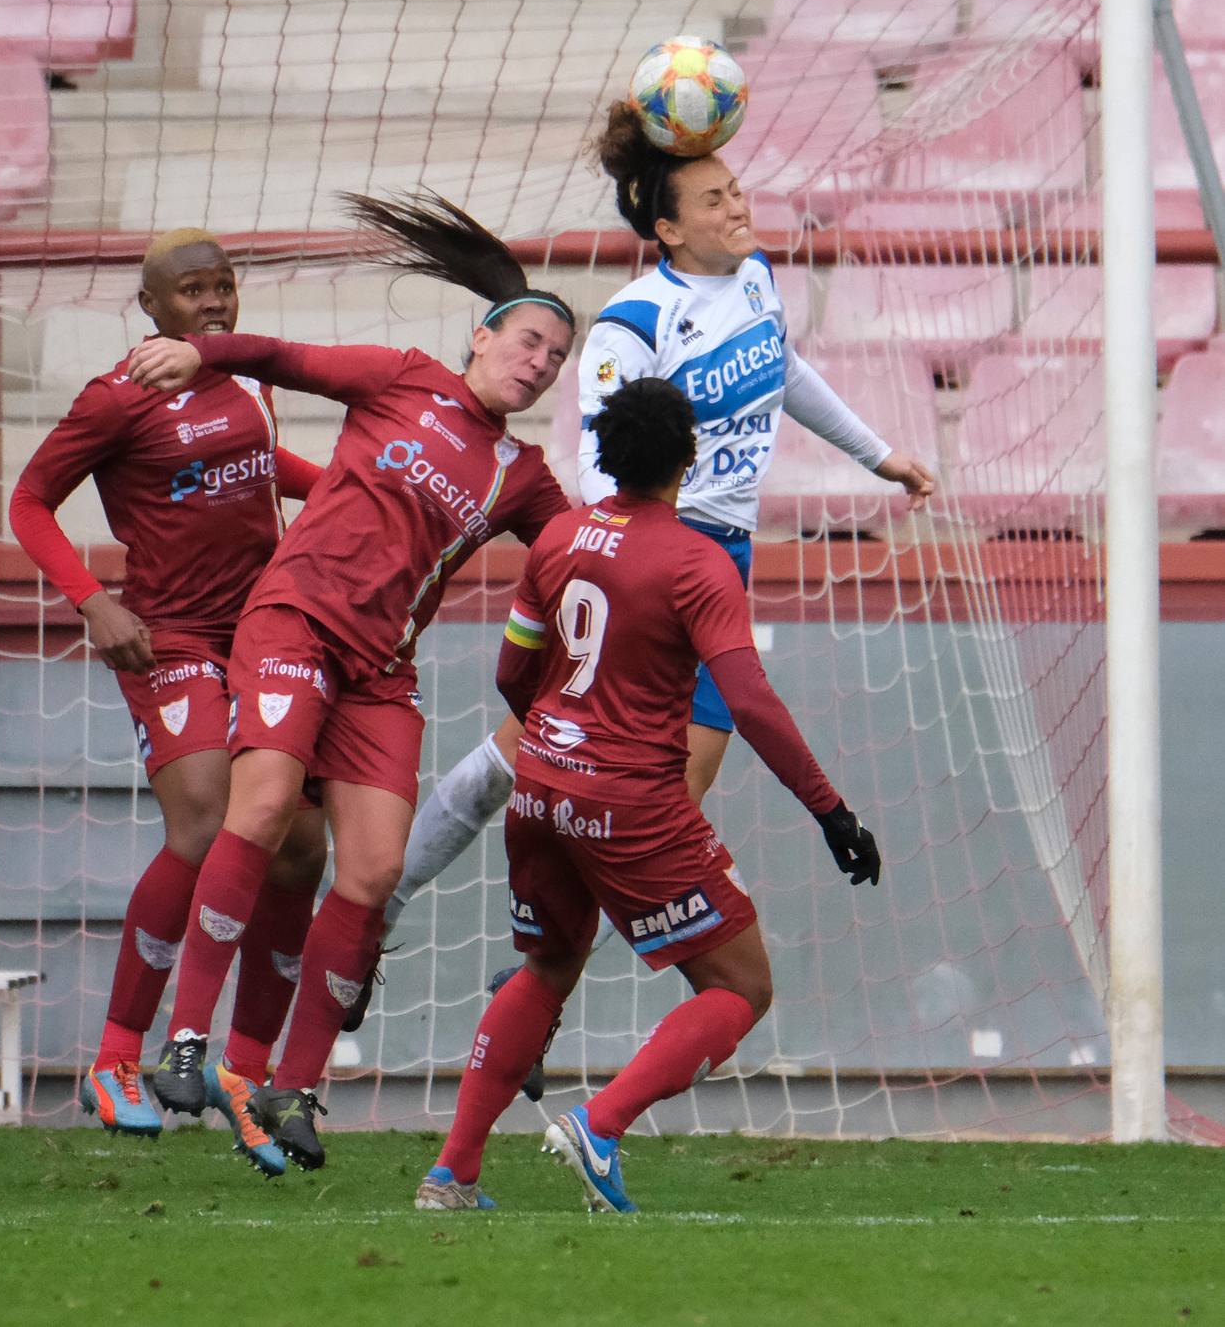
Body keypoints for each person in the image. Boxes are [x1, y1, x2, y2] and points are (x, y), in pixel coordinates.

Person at [374, 98, 937, 1032]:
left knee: (650, 807)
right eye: (714, 198)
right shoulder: (631, 326)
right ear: (667, 226)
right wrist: (632, 562)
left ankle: (525, 996)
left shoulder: (756, 276)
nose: (737, 205)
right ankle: (379, 911)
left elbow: (784, 369)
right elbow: (601, 471)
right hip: (641, 562)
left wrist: (877, 454)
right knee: (531, 767)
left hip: (722, 558)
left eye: (737, 189)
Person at [123, 191, 574, 1170]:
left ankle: (295, 1087)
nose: (538, 364)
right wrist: (206, 354)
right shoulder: (405, 380)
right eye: (529, 341)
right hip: (292, 621)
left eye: (555, 358)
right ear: (483, 338)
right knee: (266, 804)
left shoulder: (524, 477)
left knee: (368, 874)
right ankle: (186, 1044)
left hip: (380, 673)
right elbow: (287, 360)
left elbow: (585, 555)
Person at [415, 376, 881, 1215]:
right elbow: (748, 702)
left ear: (602, 453)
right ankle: (599, 1125)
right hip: (628, 801)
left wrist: (559, 744)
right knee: (740, 988)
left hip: (540, 791)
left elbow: (511, 672)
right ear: (688, 456)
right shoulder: (696, 561)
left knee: (548, 963)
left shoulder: (556, 539)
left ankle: (452, 1173)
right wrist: (829, 811)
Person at [8, 228, 327, 1169]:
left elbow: (266, 473)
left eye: (224, 287)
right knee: (202, 825)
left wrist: (356, 486)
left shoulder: (249, 382)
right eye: (193, 291)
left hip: (267, 630)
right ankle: (115, 1058)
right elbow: (28, 502)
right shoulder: (117, 398)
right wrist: (91, 600)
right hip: (170, 638)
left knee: (301, 848)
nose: (215, 303)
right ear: (151, 307)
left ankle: (244, 1073)